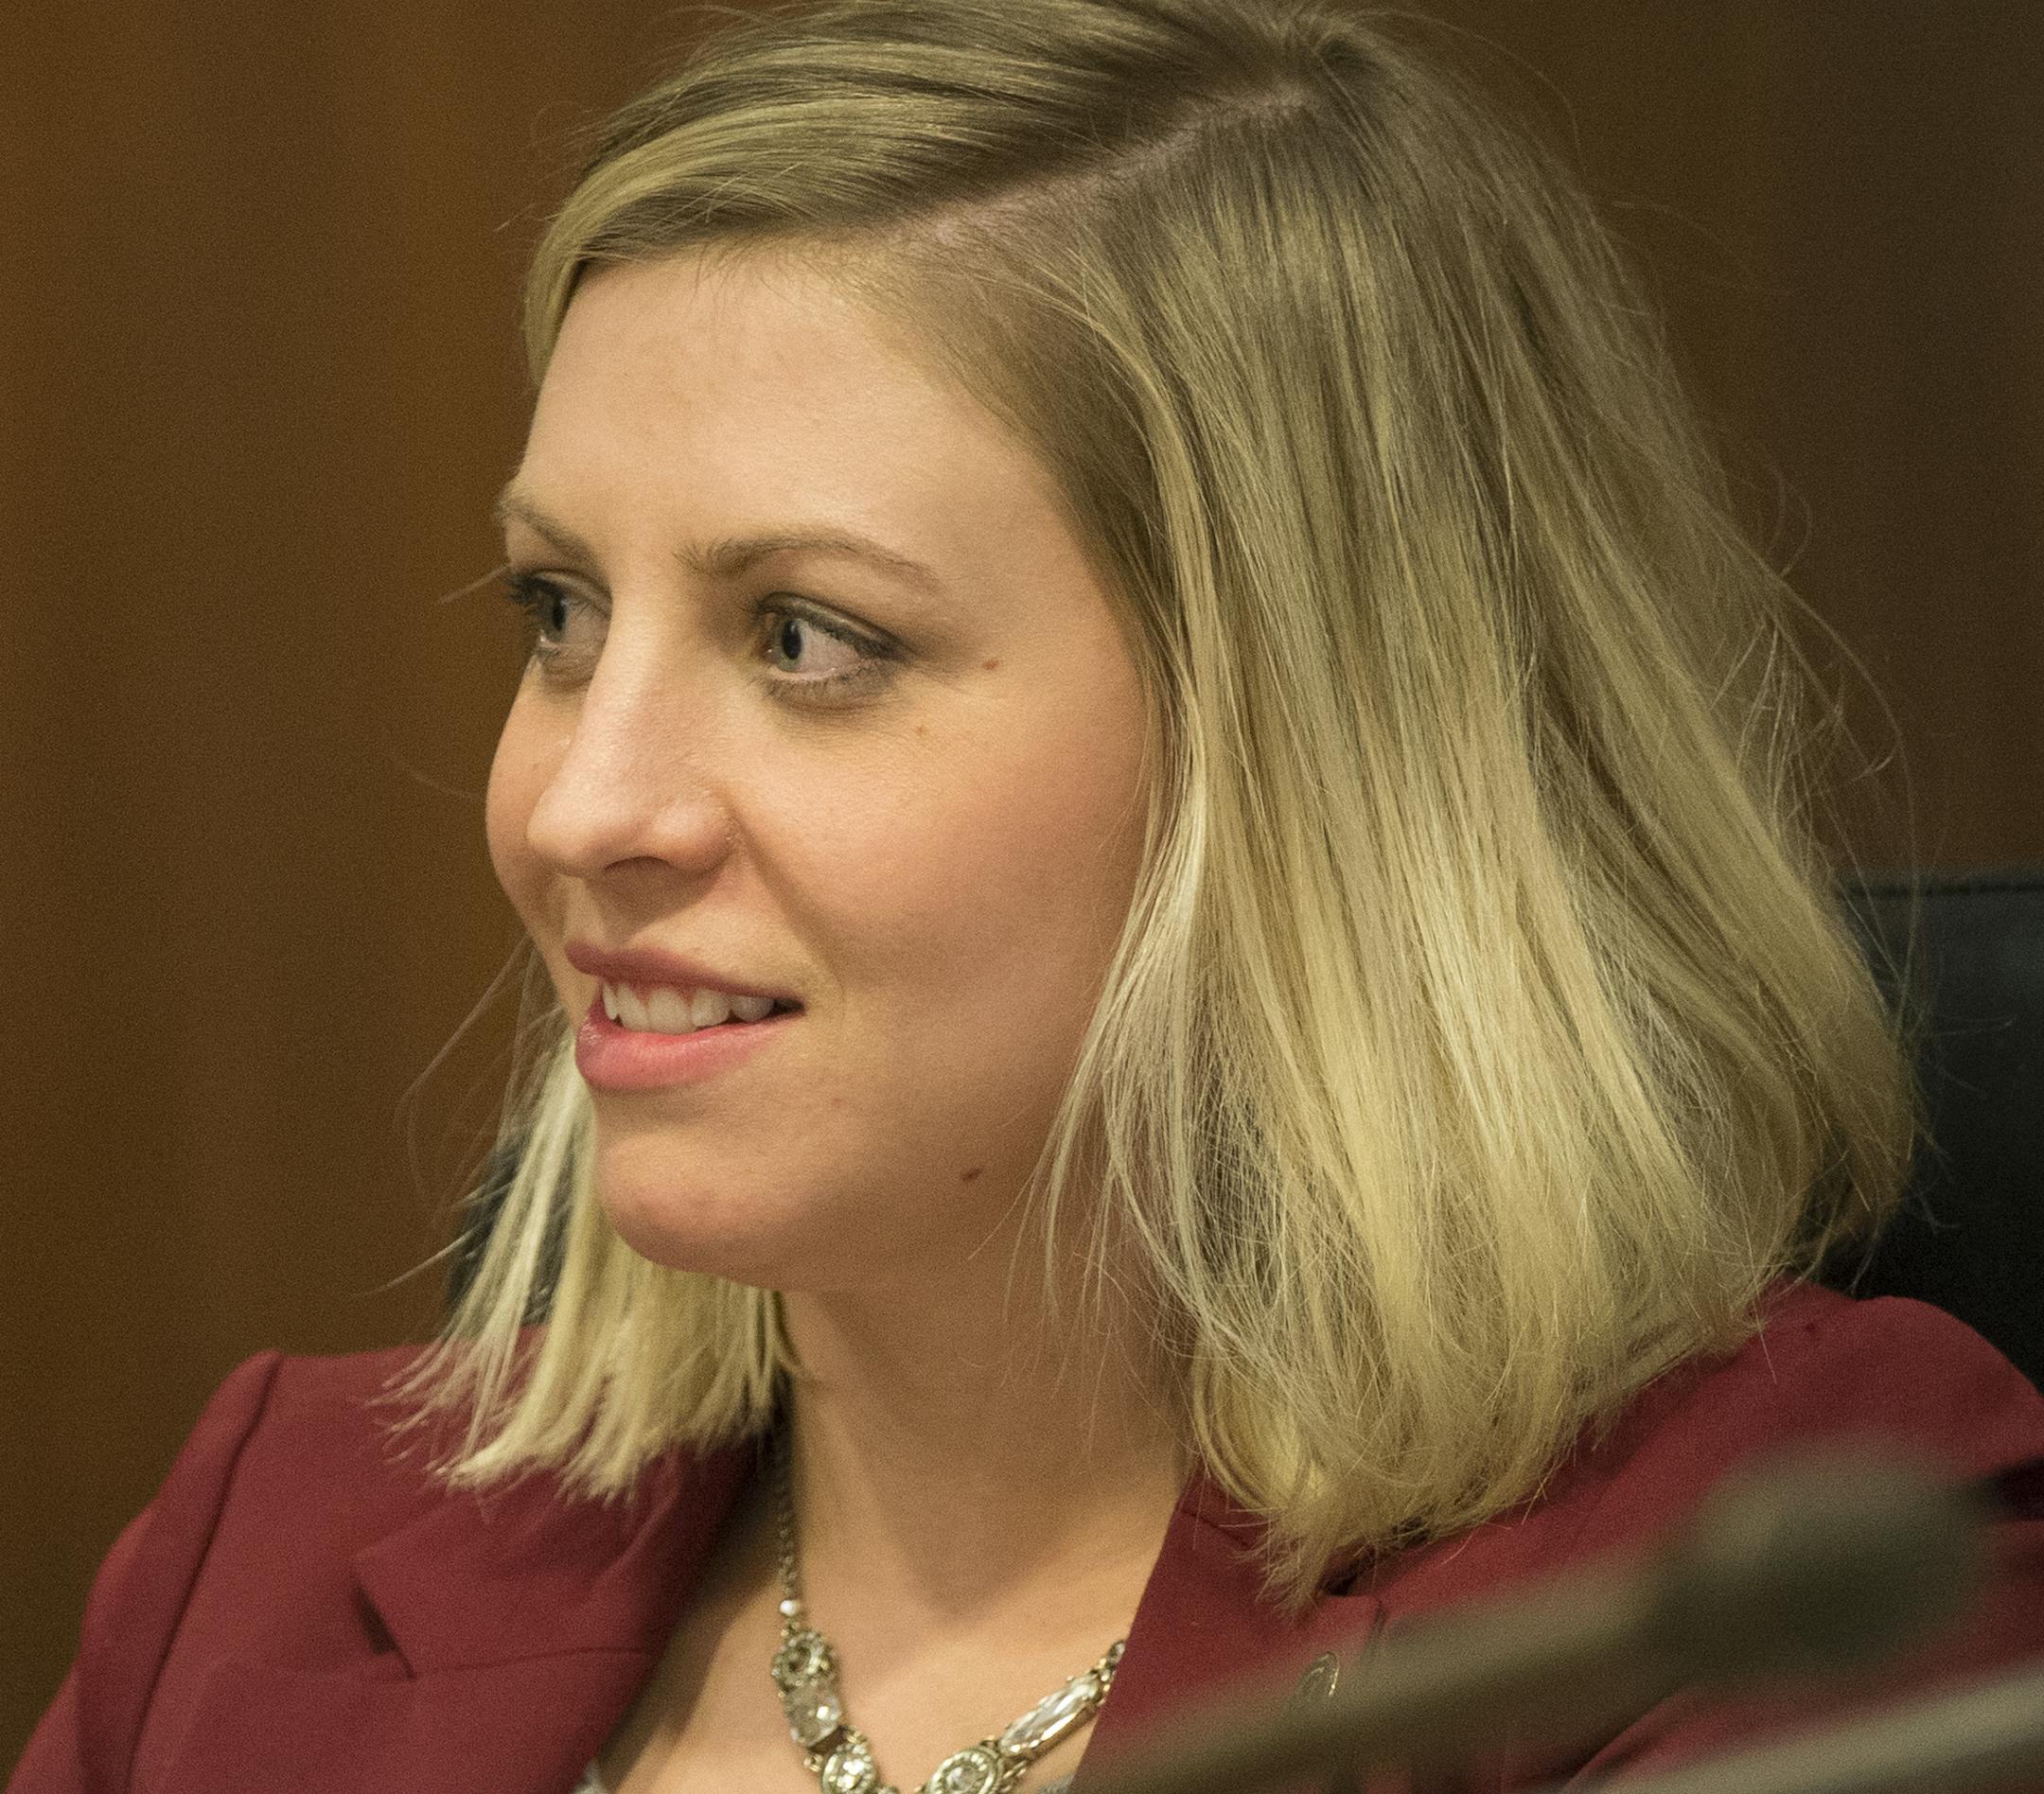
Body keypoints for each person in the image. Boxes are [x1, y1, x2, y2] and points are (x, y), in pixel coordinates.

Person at [14, 0, 2044, 1790]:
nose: (574, 803)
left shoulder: (1755, 1582)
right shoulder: (265, 1540)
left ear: (1315, 754)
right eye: (559, 612)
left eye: (809, 638)